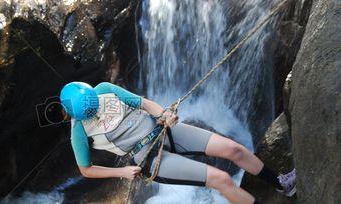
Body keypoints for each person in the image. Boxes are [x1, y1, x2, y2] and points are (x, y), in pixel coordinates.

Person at [59, 81, 296, 204]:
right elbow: (85, 169)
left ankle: (281, 183)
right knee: (221, 179)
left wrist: (163, 114)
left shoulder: (104, 90)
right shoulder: (79, 132)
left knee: (233, 149)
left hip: (162, 130)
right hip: (148, 157)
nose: (95, 108)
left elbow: (142, 103)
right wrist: (121, 171)